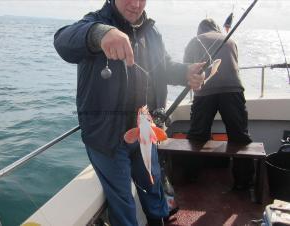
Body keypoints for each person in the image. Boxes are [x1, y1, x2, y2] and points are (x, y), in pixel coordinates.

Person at [54, 0, 205, 225]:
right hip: (107, 136)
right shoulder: (96, 22)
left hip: (144, 128)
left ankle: (159, 219)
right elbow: (62, 40)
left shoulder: (151, 31)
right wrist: (100, 34)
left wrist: (186, 72)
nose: (135, 4)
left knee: (153, 185)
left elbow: (163, 68)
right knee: (123, 201)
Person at [183, 18, 254, 190]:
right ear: (216, 28)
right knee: (239, 136)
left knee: (198, 134)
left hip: (205, 91)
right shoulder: (230, 39)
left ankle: (191, 176)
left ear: (200, 30)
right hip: (233, 90)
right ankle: (243, 182)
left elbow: (187, 69)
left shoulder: (195, 40)